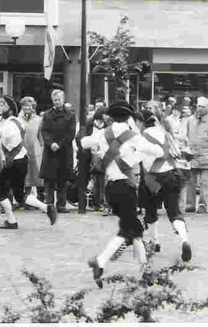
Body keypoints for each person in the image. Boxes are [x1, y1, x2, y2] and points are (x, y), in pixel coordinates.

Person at [81, 102, 164, 288]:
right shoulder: (134, 136)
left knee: (134, 229)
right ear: (128, 118)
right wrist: (136, 155)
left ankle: (145, 270)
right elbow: (158, 151)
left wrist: (101, 148)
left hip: (110, 189)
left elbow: (83, 142)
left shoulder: (103, 134)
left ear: (110, 117)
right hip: (127, 188)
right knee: (129, 229)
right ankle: (101, 261)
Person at [0, 95, 57, 229]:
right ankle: (47, 208)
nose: (0, 106)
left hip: (15, 162)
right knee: (19, 195)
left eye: (3, 105)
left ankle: (12, 220)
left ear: (10, 109)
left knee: (0, 192)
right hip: (19, 162)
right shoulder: (11, 121)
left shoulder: (11, 124)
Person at [139, 109, 192, 261]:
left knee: (150, 212)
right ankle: (185, 240)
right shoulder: (166, 133)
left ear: (142, 122)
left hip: (152, 180)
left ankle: (155, 242)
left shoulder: (143, 136)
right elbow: (176, 153)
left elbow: (142, 159)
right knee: (174, 212)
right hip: (170, 176)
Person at [40, 90, 76, 213]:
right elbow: (44, 131)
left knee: (63, 178)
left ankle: (61, 204)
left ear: (63, 99)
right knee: (49, 179)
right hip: (50, 150)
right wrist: (51, 143)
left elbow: (71, 133)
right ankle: (49, 203)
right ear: (52, 101)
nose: (57, 102)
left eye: (59, 99)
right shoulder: (47, 114)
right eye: (55, 100)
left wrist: (59, 144)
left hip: (64, 150)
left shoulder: (71, 115)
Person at [17, 96, 44, 204]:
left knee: (37, 175)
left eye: (29, 105)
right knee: (25, 175)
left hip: (35, 150)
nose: (27, 108)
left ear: (33, 107)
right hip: (22, 149)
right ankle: (25, 200)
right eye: (25, 105)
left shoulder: (38, 120)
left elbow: (41, 137)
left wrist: (41, 149)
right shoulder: (18, 120)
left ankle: (40, 198)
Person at [185, 96, 208, 213]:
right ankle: (190, 204)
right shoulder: (189, 120)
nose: (200, 108)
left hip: (206, 155)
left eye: (203, 106)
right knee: (190, 181)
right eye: (198, 106)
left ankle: (203, 205)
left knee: (205, 182)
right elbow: (186, 134)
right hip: (192, 154)